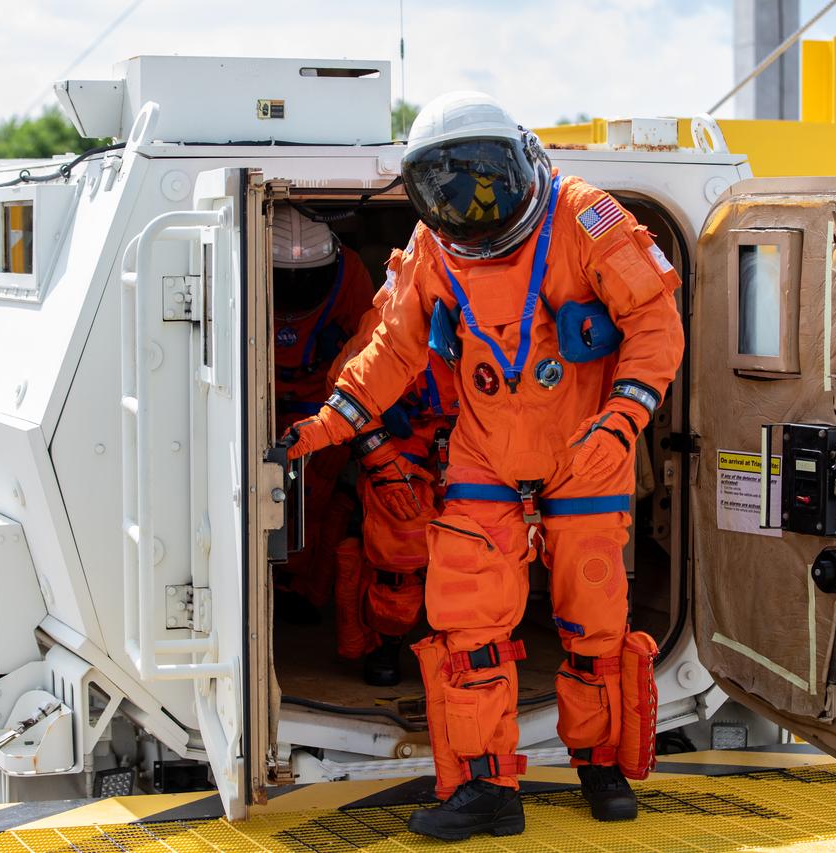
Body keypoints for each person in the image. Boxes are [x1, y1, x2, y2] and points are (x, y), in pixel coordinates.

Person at [281, 92, 684, 840]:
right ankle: (486, 789)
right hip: (487, 454)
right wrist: (331, 420)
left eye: (485, 181)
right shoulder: (435, 246)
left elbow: (655, 320)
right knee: (468, 624)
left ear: (523, 158)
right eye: (450, 194)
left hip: (585, 452)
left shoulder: (583, 216)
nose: (473, 207)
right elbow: (392, 349)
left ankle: (601, 763)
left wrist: (624, 416)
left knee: (595, 620)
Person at [329, 281, 459, 686]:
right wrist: (381, 457)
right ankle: (387, 641)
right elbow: (342, 392)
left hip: (470, 442)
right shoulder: (391, 317)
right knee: (398, 556)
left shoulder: (515, 314)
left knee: (478, 555)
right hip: (401, 450)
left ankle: (468, 649)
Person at [271, 204, 374, 622]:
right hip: (260, 402)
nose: (296, 288)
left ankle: (299, 593)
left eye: (307, 280)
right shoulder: (240, 260)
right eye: (285, 280)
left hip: (323, 408)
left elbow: (372, 344)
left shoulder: (349, 274)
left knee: (312, 502)